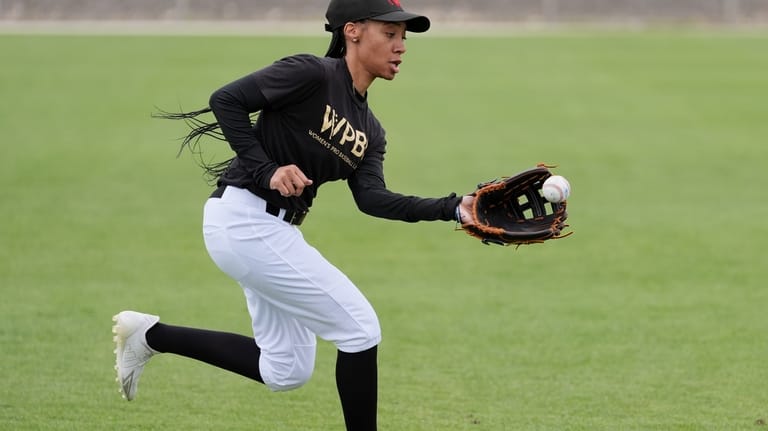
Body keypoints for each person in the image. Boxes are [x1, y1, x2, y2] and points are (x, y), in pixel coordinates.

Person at [112, 0, 475, 429]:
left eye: (404, 39)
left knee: (285, 371)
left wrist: (452, 207)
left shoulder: (370, 131)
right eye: (390, 34)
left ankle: (150, 336)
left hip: (267, 232)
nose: (401, 47)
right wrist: (266, 170)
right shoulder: (311, 73)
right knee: (361, 328)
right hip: (243, 221)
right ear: (353, 31)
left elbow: (373, 199)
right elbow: (226, 99)